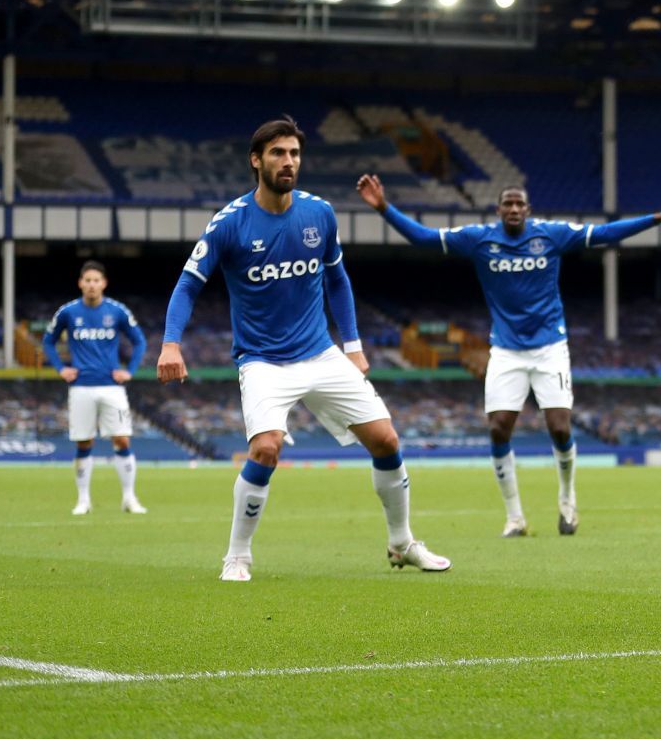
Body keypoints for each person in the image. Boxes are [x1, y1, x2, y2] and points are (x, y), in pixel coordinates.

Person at [159, 116, 451, 582]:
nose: (288, 161)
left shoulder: (320, 213)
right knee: (265, 451)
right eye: (278, 153)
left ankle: (402, 543)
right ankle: (237, 555)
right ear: (257, 161)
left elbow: (337, 278)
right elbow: (188, 284)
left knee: (387, 440)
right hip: (263, 362)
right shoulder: (230, 223)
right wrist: (171, 344)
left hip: (321, 354)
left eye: (294, 153)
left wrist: (352, 345)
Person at [358, 175, 661, 536]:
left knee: (559, 426)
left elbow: (604, 234)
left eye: (520, 204)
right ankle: (515, 517)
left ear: (529, 209)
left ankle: (567, 500)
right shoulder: (480, 239)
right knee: (498, 428)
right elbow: (423, 238)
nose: (515, 209)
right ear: (499, 209)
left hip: (550, 346)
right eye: (508, 203)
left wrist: (655, 219)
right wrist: (383, 207)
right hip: (505, 350)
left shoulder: (549, 235)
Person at [44, 261, 147, 515]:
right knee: (83, 442)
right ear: (81, 283)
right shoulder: (68, 312)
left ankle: (129, 498)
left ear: (104, 283)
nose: (91, 285)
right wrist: (61, 368)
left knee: (122, 439)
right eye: (87, 280)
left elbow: (139, 341)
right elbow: (48, 341)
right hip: (81, 387)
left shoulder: (117, 311)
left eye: (96, 280)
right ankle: (83, 500)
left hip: (112, 387)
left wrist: (129, 371)